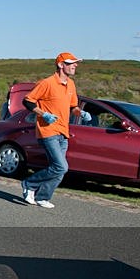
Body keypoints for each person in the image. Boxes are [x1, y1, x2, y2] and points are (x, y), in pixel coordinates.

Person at [21, 52, 91, 208]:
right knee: (61, 166)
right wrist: (43, 114)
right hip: (47, 131)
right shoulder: (47, 83)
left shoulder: (71, 84)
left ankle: (42, 197)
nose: (75, 65)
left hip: (63, 132)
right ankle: (29, 183)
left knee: (59, 170)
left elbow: (73, 107)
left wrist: (81, 113)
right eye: (71, 63)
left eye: (76, 63)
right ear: (61, 65)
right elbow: (27, 101)